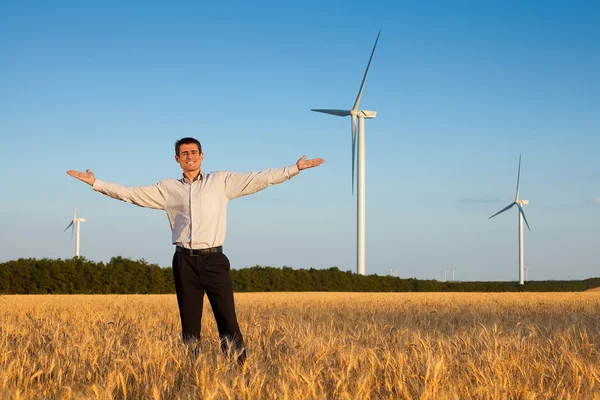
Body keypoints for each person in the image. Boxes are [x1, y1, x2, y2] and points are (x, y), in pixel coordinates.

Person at [67, 137, 324, 364]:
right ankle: (193, 370)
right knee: (190, 324)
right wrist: (96, 183)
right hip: (184, 261)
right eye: (184, 154)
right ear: (177, 159)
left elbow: (259, 179)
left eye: (194, 152)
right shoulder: (168, 188)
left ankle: (240, 371)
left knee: (227, 319)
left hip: (214, 259)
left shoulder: (221, 181)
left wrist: (294, 169)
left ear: (202, 156)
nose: (189, 157)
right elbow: (131, 194)